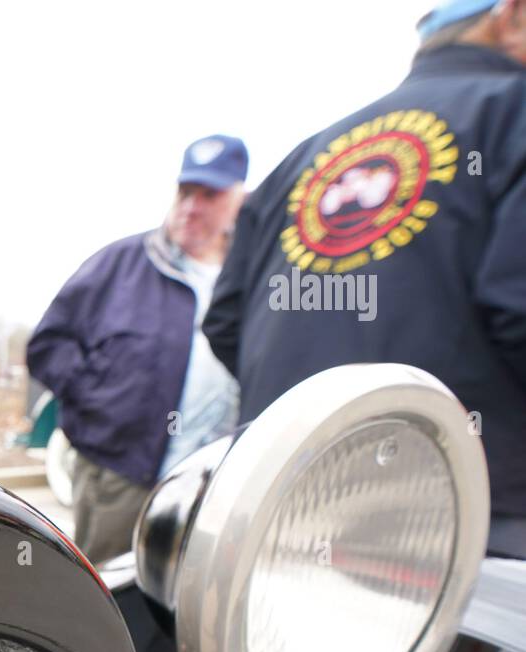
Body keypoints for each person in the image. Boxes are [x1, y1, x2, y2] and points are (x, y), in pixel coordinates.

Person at [203, 0, 526, 554]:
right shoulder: (513, 114)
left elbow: (227, 320)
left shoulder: (304, 154)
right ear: (514, 14)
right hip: (466, 543)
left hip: (275, 530)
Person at [27, 135, 248, 564]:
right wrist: (106, 404)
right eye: (185, 192)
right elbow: (48, 345)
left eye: (210, 195)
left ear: (239, 199)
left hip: (216, 484)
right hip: (121, 477)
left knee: (194, 602)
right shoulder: (121, 265)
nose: (191, 206)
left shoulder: (249, 277)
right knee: (110, 598)